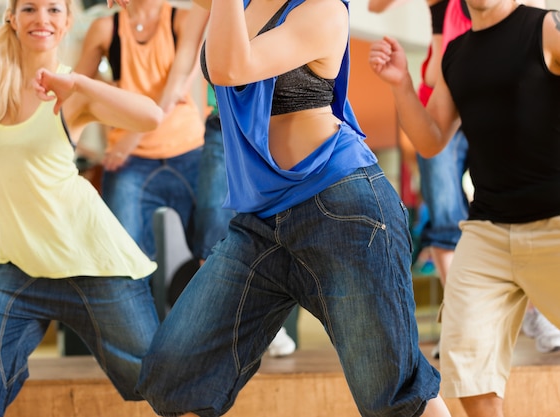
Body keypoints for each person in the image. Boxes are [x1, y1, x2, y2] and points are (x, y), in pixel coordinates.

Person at [107, 0, 454, 416]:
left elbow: (230, 67)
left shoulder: (324, 10)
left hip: (341, 208)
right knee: (175, 374)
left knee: (395, 398)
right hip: (260, 222)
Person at [0, 0, 164, 416]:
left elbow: (151, 117)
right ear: (12, 18)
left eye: (54, 9)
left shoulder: (72, 92)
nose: (42, 18)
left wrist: (80, 85)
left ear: (67, 22)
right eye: (30, 8)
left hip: (92, 266)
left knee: (159, 385)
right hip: (18, 268)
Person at [370, 1, 560, 415]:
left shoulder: (545, 27)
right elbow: (433, 139)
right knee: (467, 361)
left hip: (554, 225)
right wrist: (402, 85)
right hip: (488, 231)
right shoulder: (457, 54)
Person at [74, 0, 209, 262]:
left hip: (188, 150)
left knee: (214, 252)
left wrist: (130, 137)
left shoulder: (182, 19)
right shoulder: (105, 29)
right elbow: (77, 85)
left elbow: (177, 89)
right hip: (130, 162)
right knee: (124, 260)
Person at [192, 83, 296, 357]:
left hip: (272, 120)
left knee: (270, 225)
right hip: (224, 123)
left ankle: (266, 323)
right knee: (212, 222)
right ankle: (219, 326)